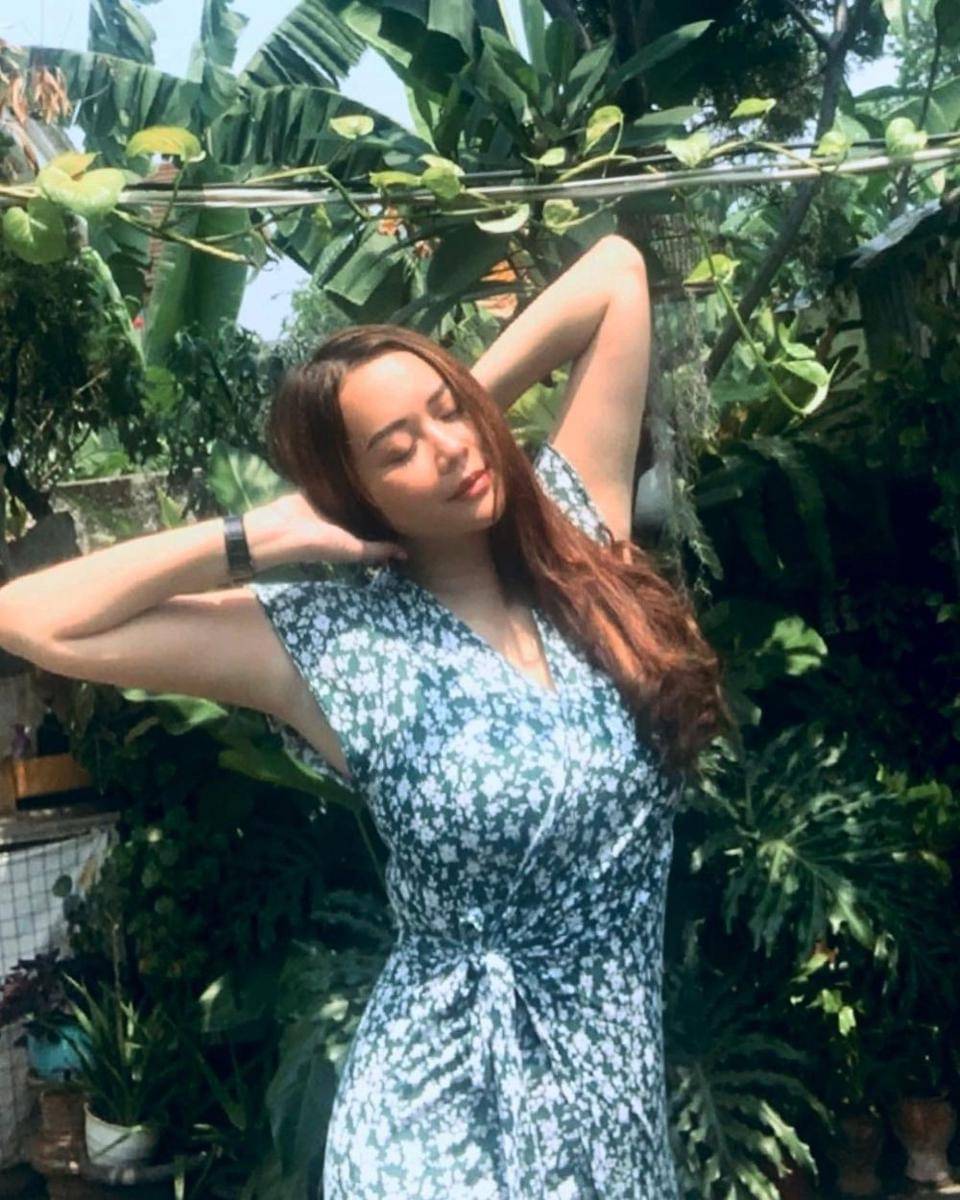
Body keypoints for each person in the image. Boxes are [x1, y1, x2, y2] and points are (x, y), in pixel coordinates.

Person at [0, 233, 730, 1198]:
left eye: (449, 412)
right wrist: (262, 531)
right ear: (356, 491)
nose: (451, 449)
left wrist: (447, 409)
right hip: (440, 1132)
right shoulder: (332, 645)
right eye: (398, 451)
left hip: (613, 1114)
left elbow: (615, 275)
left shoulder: (577, 533)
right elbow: (29, 617)